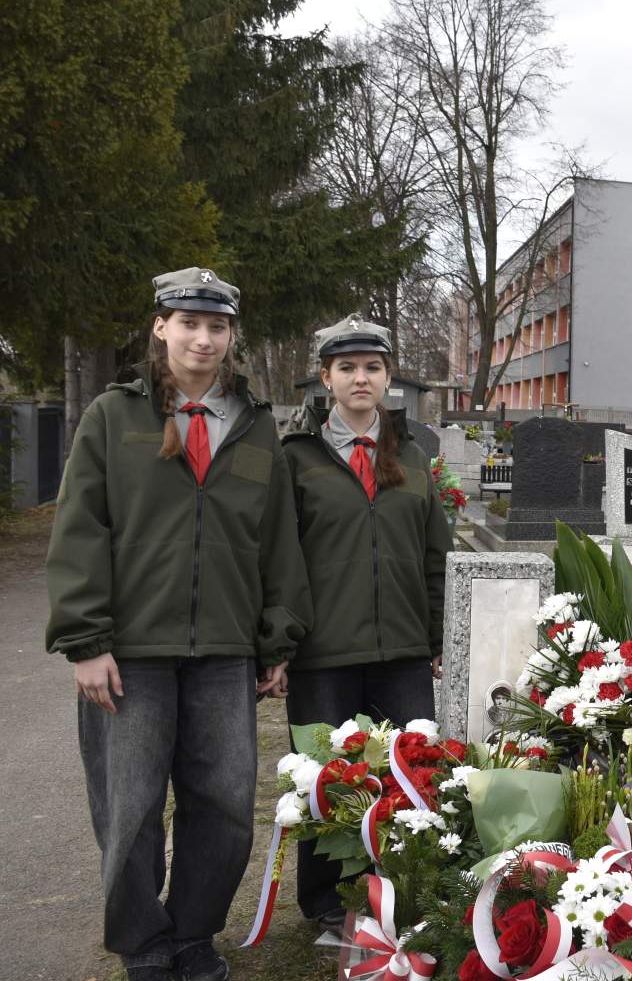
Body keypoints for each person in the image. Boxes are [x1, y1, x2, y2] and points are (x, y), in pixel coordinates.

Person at [46, 268, 313, 981]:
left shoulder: (256, 424)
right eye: (188, 322)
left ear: (230, 336)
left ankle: (195, 935)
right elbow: (80, 529)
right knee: (130, 807)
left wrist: (277, 636)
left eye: (216, 326)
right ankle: (143, 943)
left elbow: (278, 541)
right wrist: (86, 640)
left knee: (224, 803)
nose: (203, 338)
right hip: (130, 651)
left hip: (224, 651)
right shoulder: (113, 416)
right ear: (160, 327)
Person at [281, 315, 453, 933]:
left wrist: (439, 637)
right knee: (327, 781)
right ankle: (328, 902)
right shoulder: (295, 459)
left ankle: (405, 890)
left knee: (410, 776)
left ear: (388, 378)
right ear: (325, 377)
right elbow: (279, 557)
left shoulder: (412, 456)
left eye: (373, 367)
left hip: (403, 651)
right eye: (347, 368)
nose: (361, 378)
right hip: (323, 653)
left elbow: (435, 555)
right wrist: (280, 643)